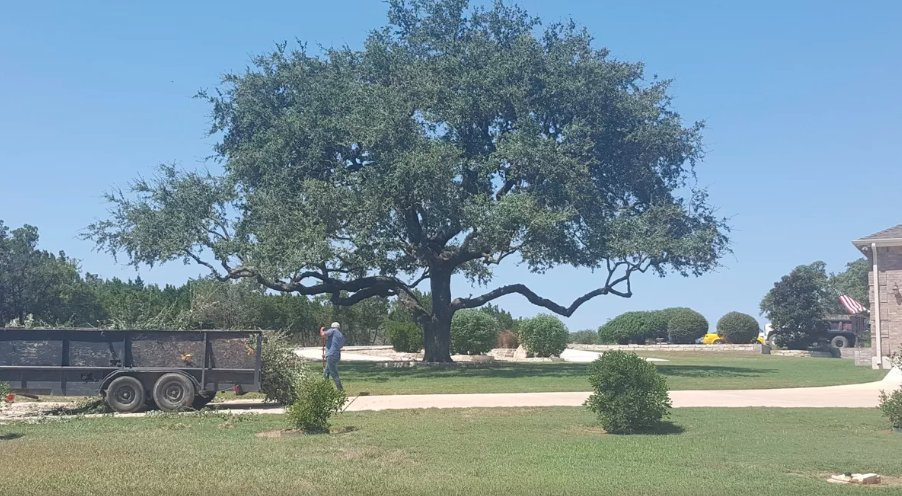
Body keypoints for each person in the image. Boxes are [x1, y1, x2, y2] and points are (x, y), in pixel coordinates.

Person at [320, 322, 346, 390]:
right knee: (326, 373)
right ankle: (327, 390)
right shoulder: (340, 335)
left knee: (334, 373)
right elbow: (340, 345)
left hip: (331, 355)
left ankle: (340, 390)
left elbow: (323, 334)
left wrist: (321, 329)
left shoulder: (333, 330)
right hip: (336, 355)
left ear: (332, 327)